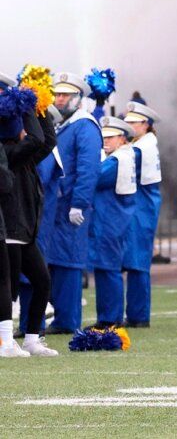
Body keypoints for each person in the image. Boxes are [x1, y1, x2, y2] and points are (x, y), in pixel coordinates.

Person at [0, 74, 57, 355]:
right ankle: (6, 341)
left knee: (42, 281)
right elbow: (35, 140)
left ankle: (32, 337)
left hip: (24, 231)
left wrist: (40, 106)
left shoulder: (22, 154)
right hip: (9, 230)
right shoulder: (9, 151)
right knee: (7, 291)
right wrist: (24, 106)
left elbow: (46, 142)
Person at [45, 72, 102, 334]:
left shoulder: (85, 125)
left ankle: (67, 320)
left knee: (68, 260)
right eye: (57, 94)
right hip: (56, 204)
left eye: (65, 95)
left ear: (78, 99)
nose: (59, 99)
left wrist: (79, 202)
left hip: (70, 205)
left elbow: (88, 169)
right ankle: (61, 316)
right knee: (56, 258)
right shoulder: (64, 125)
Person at [88, 117, 138, 327]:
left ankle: (109, 318)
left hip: (110, 221)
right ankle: (108, 317)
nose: (105, 141)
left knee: (108, 269)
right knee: (106, 269)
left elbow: (94, 177)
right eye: (104, 137)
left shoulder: (117, 160)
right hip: (113, 220)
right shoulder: (123, 156)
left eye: (110, 137)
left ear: (122, 138)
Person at [120, 101, 162, 327]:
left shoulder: (139, 148)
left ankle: (137, 315)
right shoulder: (146, 142)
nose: (128, 127)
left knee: (137, 262)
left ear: (145, 124)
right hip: (143, 204)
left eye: (133, 123)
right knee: (137, 260)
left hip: (141, 205)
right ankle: (137, 314)